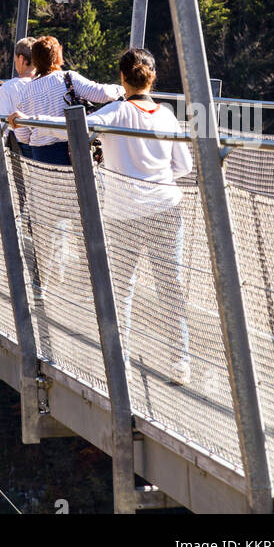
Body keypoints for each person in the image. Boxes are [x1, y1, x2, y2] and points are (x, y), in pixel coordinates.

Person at [90, 47, 193, 386]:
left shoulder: (114, 112)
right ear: (152, 78)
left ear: (122, 78)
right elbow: (185, 166)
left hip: (125, 213)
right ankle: (180, 362)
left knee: (122, 287)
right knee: (170, 286)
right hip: (166, 207)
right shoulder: (166, 116)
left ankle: (118, 356)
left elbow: (72, 126)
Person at [5, 36, 124, 295]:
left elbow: (22, 135)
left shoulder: (26, 91)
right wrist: (121, 90)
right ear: (58, 57)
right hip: (72, 161)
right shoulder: (67, 78)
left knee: (44, 224)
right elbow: (101, 93)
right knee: (86, 218)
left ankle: (40, 284)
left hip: (41, 162)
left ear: (34, 60)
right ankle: (91, 281)